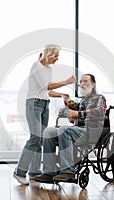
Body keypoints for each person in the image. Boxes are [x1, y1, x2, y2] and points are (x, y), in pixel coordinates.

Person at [13, 44, 76, 185]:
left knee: (40, 139)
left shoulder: (48, 69)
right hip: (34, 104)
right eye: (55, 55)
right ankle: (19, 172)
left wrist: (61, 94)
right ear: (48, 54)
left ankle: (34, 172)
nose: (57, 59)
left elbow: (47, 91)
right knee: (35, 138)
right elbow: (46, 86)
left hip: (44, 104)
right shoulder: (36, 66)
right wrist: (66, 81)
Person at [34, 74, 107, 183]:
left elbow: (99, 112)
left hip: (92, 132)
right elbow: (71, 112)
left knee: (64, 129)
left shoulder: (99, 97)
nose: (82, 84)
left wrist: (77, 114)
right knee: (48, 132)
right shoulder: (82, 101)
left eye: (85, 81)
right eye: (81, 81)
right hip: (77, 130)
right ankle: (49, 172)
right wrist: (66, 108)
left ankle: (68, 171)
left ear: (93, 84)